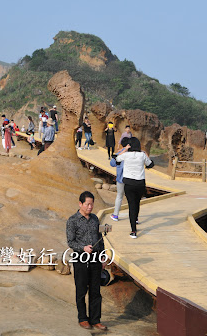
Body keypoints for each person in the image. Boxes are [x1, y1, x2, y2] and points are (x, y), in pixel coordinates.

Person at [66, 191, 108, 331]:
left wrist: (102, 257)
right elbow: (70, 242)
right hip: (81, 259)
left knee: (96, 291)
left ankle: (95, 320)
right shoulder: (72, 221)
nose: (90, 207)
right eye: (87, 204)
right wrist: (83, 248)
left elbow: (100, 238)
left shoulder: (95, 219)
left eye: (92, 204)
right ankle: (83, 318)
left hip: (95, 259)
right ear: (80, 204)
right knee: (81, 290)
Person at [115, 137, 154, 239]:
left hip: (129, 183)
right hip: (140, 184)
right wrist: (146, 155)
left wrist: (124, 150)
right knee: (137, 203)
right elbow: (150, 165)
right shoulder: (142, 155)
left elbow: (116, 159)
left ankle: (133, 230)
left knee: (131, 205)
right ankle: (135, 219)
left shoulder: (126, 155)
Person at [109, 140, 130, 221]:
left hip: (121, 179)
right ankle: (135, 218)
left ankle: (115, 215)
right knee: (131, 198)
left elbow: (112, 163)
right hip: (130, 179)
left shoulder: (120, 153)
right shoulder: (134, 153)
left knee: (119, 196)